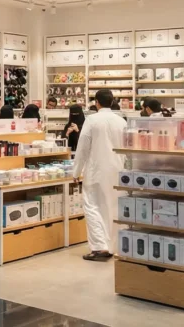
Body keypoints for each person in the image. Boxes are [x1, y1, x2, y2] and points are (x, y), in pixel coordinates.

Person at [73, 89, 125, 261]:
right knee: (113, 208)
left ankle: (99, 247)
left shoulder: (92, 120)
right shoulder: (121, 121)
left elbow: (83, 147)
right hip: (118, 170)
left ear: (96, 102)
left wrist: (76, 171)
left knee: (92, 206)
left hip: (96, 170)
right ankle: (114, 246)